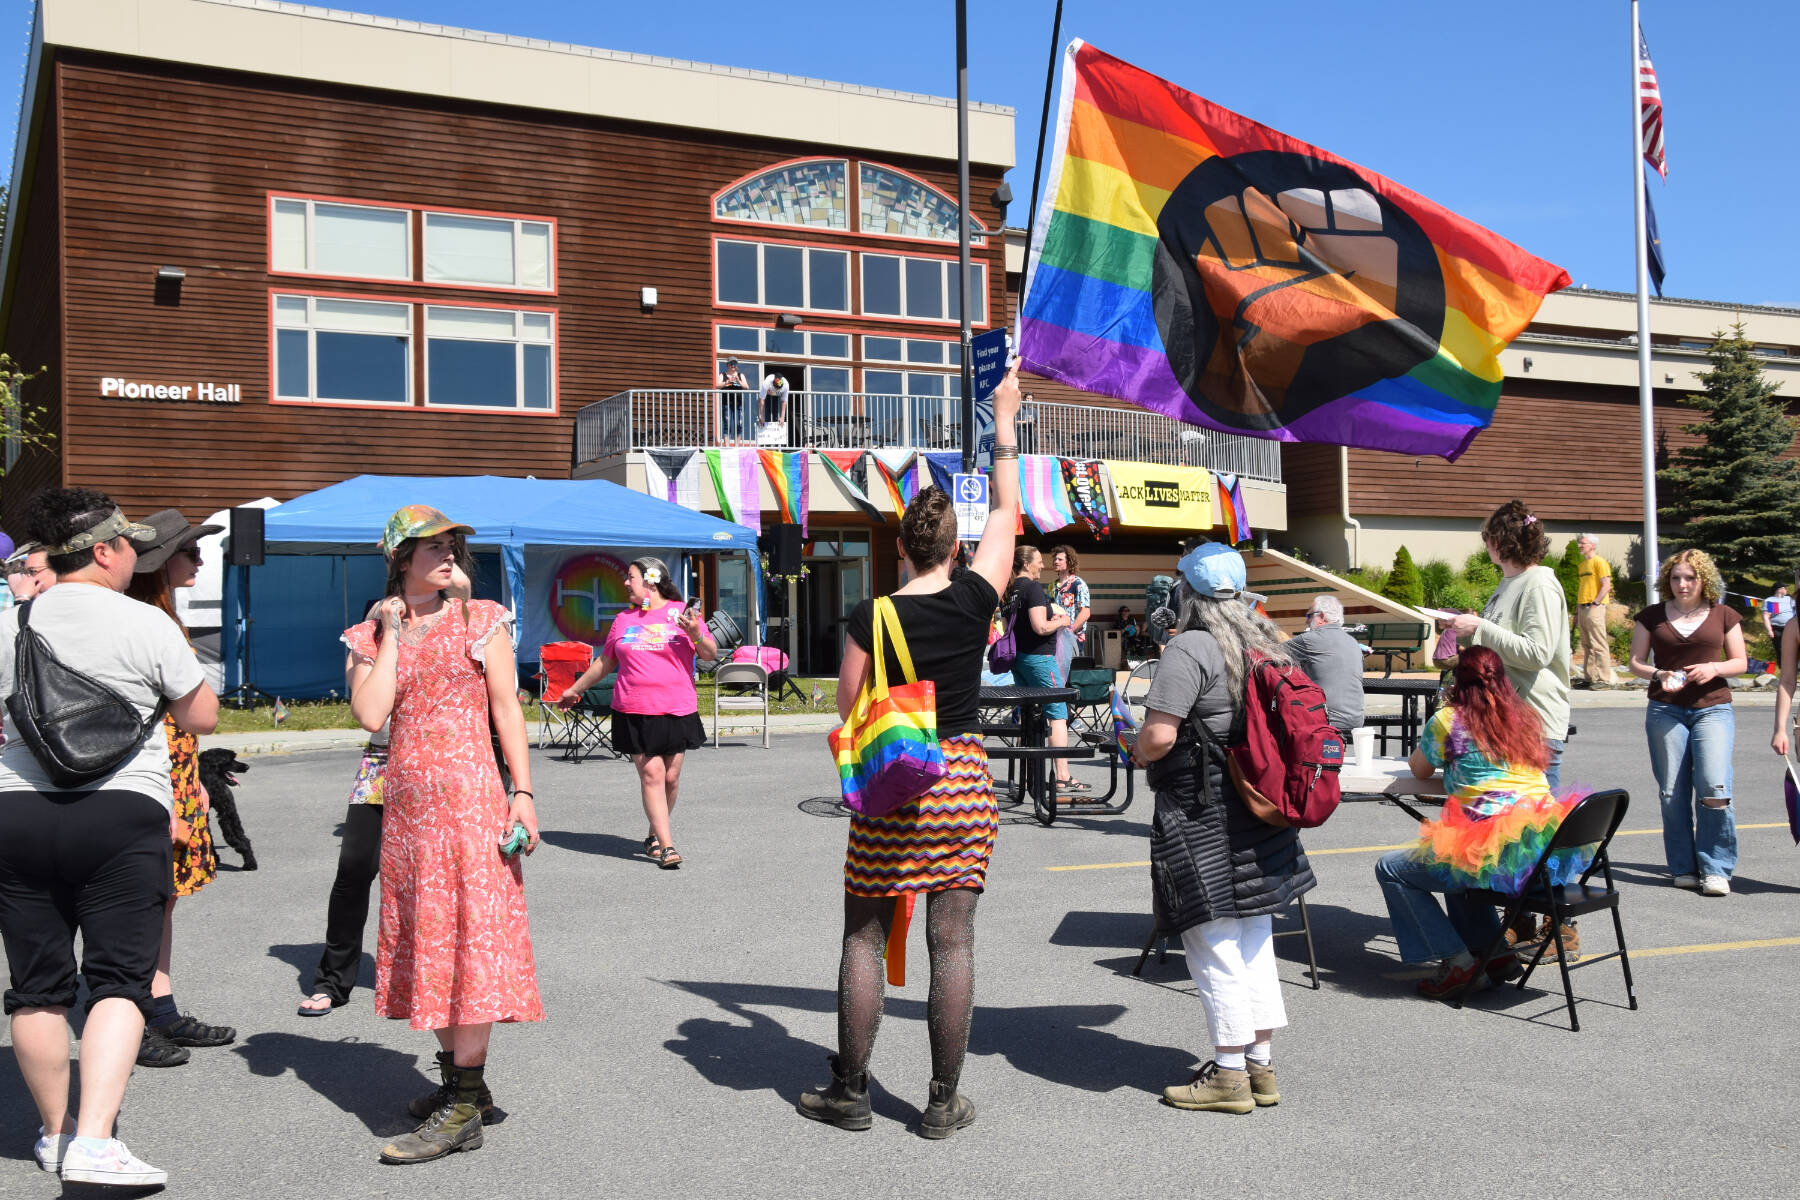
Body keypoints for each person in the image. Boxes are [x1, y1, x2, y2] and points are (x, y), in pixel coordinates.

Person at [797, 368, 1021, 1138]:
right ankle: (940, 1100)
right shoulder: (974, 597)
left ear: (901, 546)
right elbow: (1006, 509)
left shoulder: (871, 614)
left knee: (864, 934)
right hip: (962, 781)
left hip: (894, 785)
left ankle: (852, 1090)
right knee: (950, 940)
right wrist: (1003, 424)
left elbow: (849, 707)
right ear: (955, 549)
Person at [0, 488, 219, 1187]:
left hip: (19, 814)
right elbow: (203, 716)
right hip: (122, 814)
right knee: (118, 983)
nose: (135, 555)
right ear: (103, 550)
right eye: (129, 544)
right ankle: (96, 1141)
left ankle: (55, 1133)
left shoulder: (8, 624)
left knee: (35, 990)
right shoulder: (144, 623)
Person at [344, 506, 542, 1165]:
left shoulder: (481, 619)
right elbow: (371, 713)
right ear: (401, 560)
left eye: (454, 544)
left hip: (473, 805)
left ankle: (461, 1107)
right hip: (408, 815)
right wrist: (394, 632)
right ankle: (466, 1086)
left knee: (471, 941)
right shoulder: (371, 633)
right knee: (434, 939)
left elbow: (507, 708)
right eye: (432, 546)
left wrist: (524, 793)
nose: (450, 553)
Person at [1129, 543, 1315, 1115]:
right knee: (1255, 935)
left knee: (1210, 939)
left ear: (1188, 593)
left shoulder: (1190, 647)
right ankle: (1259, 1066)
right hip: (1259, 807)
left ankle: (1229, 1076)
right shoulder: (1265, 642)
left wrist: (1134, 748)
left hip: (1200, 809)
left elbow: (1159, 737)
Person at [1374, 647, 1591, 1000]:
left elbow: (1419, 769)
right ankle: (1493, 957)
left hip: (1494, 849)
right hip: (1544, 847)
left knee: (1393, 869)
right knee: (1460, 865)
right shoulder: (1523, 717)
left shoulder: (1449, 720)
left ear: (1458, 682)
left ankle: (1459, 963)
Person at [299, 573, 470, 1018]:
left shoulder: (443, 634)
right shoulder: (367, 644)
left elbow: (465, 591)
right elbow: (371, 716)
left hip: (439, 768)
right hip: (382, 764)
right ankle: (332, 979)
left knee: (433, 875)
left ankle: (433, 976)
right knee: (355, 867)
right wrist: (386, 625)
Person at [123, 509, 232, 1068]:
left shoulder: (165, 615)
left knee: (161, 903)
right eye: (191, 552)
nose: (200, 559)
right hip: (148, 786)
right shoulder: (143, 619)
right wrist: (166, 796)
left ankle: (159, 1008)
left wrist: (194, 783)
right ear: (162, 563)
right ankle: (128, 1016)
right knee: (137, 907)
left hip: (175, 781)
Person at [558, 558, 715, 869]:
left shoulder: (683, 613)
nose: (626, 583)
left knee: (670, 777)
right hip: (634, 707)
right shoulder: (623, 620)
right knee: (652, 774)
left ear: (651, 580)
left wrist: (696, 632)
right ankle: (667, 846)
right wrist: (575, 688)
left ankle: (654, 833)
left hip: (677, 707)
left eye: (630, 577)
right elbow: (605, 662)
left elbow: (709, 655)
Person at [1629, 548, 1746, 897]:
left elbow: (1740, 661)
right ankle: (1683, 866)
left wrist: (1714, 668)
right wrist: (1658, 673)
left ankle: (1715, 869)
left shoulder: (1724, 614)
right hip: (1665, 710)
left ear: (1703, 580)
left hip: (1713, 708)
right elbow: (1635, 662)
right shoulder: (1651, 616)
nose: (1682, 584)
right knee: (1671, 791)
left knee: (1714, 786)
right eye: (1676, 577)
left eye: (1690, 577)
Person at [1006, 546, 1082, 792]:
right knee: (1057, 713)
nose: (1042, 565)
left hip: (1019, 658)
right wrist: (1061, 620)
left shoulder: (1010, 590)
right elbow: (1040, 627)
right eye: (1039, 561)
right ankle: (1062, 776)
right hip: (1040, 659)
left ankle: (1029, 775)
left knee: (1029, 713)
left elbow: (1008, 627)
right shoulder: (1033, 589)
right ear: (1027, 564)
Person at [1284, 594, 1365, 734]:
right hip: (1356, 720)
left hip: (1327, 720)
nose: (1306, 621)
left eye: (1309, 616)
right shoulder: (1352, 642)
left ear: (1321, 616)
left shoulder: (1310, 639)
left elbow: (1268, 653)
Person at [1574, 533, 1615, 689]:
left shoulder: (1600, 562)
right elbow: (1582, 588)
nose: (1579, 545)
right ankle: (1590, 677)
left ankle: (1604, 679)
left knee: (1598, 643)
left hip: (1594, 607)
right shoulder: (1583, 565)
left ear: (1592, 545)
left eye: (1582, 543)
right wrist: (1577, 612)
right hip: (1582, 606)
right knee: (1586, 644)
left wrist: (1595, 603)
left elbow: (1606, 585)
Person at [719, 358, 751, 443]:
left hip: (739, 403)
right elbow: (717, 385)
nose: (733, 365)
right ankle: (727, 446)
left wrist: (738, 380)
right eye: (731, 363)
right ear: (727, 365)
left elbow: (747, 387)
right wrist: (727, 381)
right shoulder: (723, 375)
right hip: (727, 402)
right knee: (727, 423)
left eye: (735, 364)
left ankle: (736, 445)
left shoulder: (740, 375)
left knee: (739, 424)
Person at [759, 371, 790, 441]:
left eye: (778, 388)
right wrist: (762, 416)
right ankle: (765, 441)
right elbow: (761, 400)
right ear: (773, 383)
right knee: (766, 415)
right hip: (767, 394)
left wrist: (782, 417)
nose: (776, 389)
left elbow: (784, 402)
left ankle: (775, 441)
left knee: (776, 416)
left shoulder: (786, 385)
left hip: (777, 396)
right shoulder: (767, 382)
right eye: (776, 388)